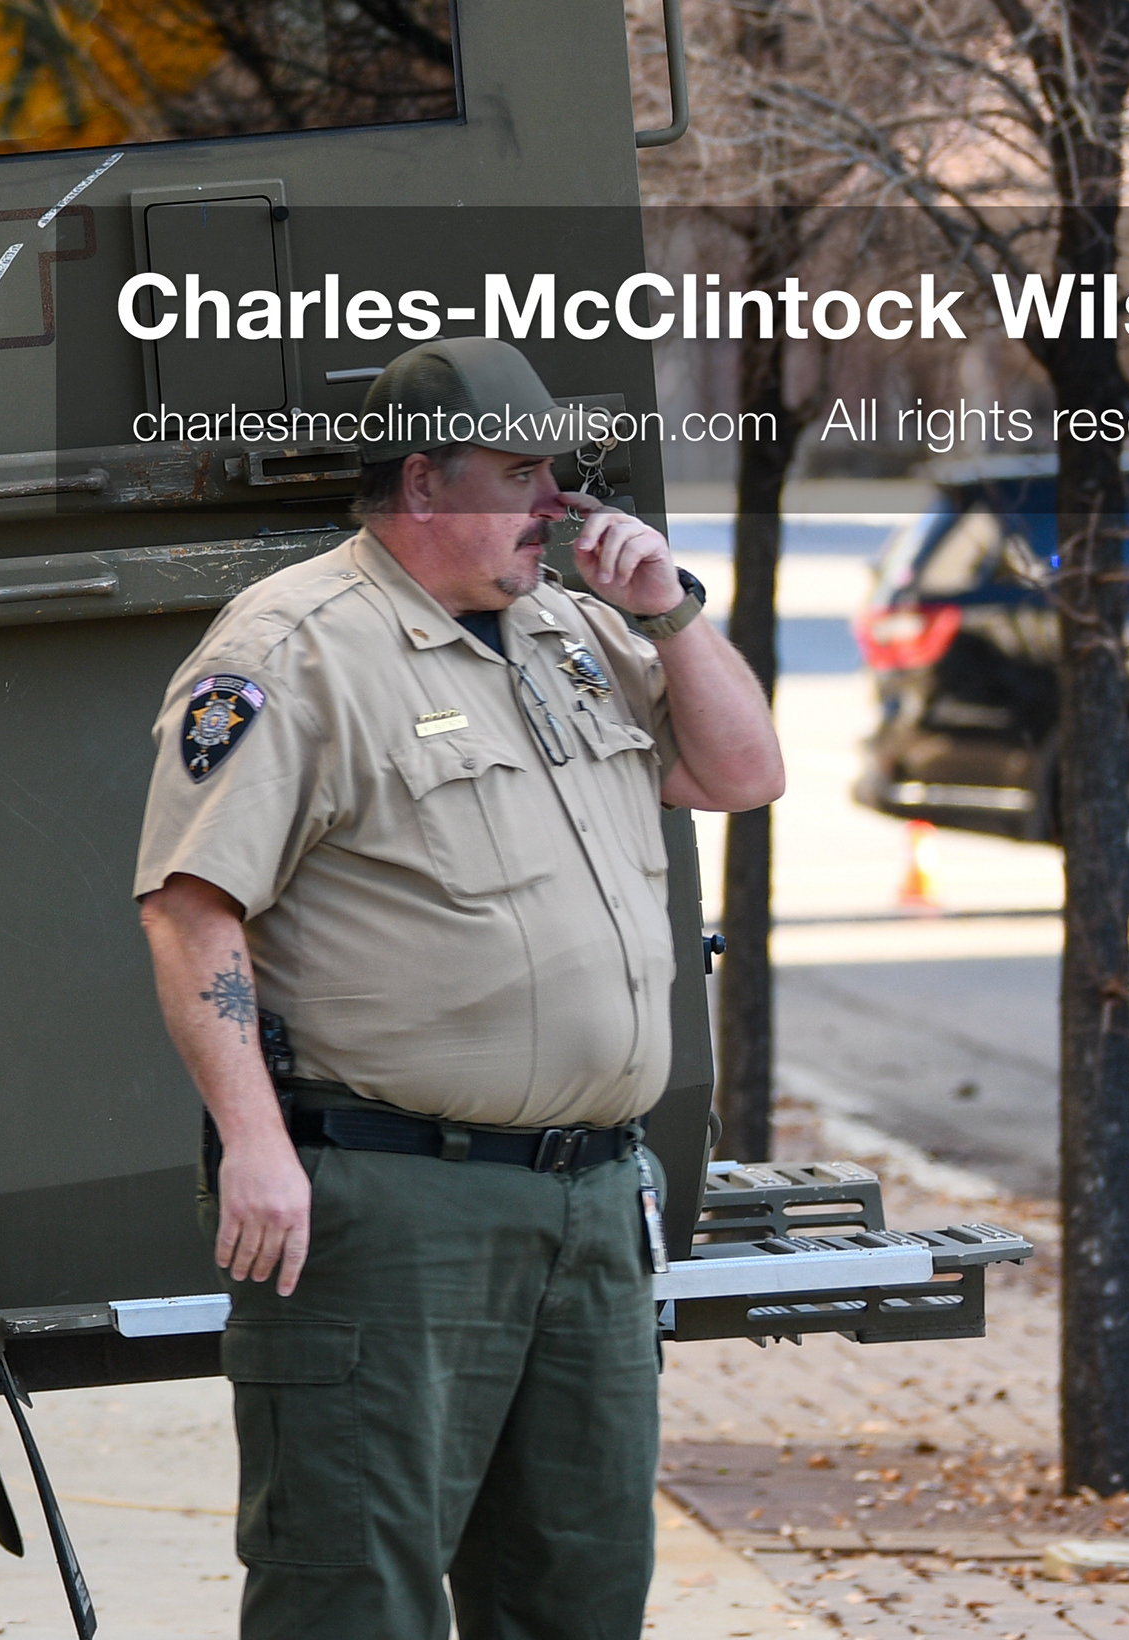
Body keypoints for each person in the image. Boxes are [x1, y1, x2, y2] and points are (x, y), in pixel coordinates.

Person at [131, 338, 784, 1640]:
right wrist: (254, 1145)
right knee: (351, 1597)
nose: (556, 501)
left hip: (592, 1207)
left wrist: (670, 613)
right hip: (394, 1210)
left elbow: (743, 774)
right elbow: (192, 907)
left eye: (559, 471)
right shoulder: (297, 645)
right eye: (521, 472)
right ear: (424, 488)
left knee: (578, 1596)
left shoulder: (575, 629)